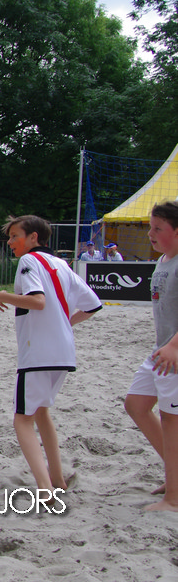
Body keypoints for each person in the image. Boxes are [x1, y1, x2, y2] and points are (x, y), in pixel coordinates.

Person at [0, 215, 101, 494]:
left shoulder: (28, 261)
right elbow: (93, 305)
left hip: (38, 353)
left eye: (15, 236)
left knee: (22, 420)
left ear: (33, 237)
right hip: (64, 352)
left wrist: (3, 295)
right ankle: (57, 479)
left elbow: (37, 301)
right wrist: (65, 324)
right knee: (41, 412)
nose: (10, 242)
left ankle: (45, 489)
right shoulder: (61, 264)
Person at [124, 201, 178, 511]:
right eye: (150, 227)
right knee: (136, 404)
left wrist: (174, 346)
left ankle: (174, 498)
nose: (150, 234)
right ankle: (174, 475)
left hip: (174, 353)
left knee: (172, 420)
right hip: (162, 350)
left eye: (158, 228)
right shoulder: (162, 262)